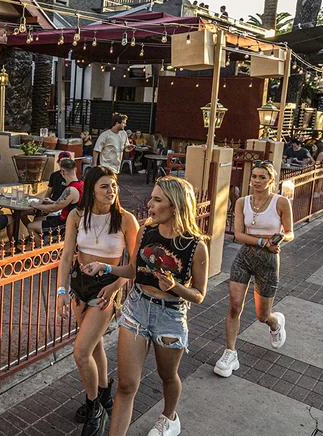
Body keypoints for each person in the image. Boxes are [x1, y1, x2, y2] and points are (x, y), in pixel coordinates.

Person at [82, 176, 209, 436]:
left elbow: (198, 295)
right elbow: (132, 269)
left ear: (175, 206)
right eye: (151, 197)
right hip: (137, 308)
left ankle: (169, 416)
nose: (149, 203)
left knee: (167, 376)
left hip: (170, 315)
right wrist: (105, 267)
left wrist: (174, 286)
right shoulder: (146, 231)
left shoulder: (196, 247)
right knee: (127, 386)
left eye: (157, 199)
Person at [57, 166, 139, 436]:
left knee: (81, 351)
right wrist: (61, 290)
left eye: (114, 185)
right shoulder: (77, 216)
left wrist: (116, 287)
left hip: (106, 288)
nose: (111, 191)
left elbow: (136, 267)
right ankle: (103, 394)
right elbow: (68, 255)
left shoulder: (126, 220)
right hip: (80, 286)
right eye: (105, 186)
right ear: (91, 188)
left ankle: (95, 408)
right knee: (93, 347)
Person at [215, 161, 293, 381]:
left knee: (262, 315)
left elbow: (290, 233)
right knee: (234, 306)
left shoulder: (281, 202)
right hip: (244, 258)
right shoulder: (242, 202)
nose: (257, 181)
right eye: (254, 177)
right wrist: (262, 241)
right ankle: (230, 352)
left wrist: (279, 239)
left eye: (262, 177)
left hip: (268, 261)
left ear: (271, 180)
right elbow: (239, 235)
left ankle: (275, 323)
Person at [28, 159, 83, 235]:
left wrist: (36, 205)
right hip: (74, 222)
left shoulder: (71, 189)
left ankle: (43, 246)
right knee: (37, 219)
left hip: (65, 224)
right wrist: (52, 201)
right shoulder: (81, 184)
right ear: (75, 169)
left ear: (62, 172)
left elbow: (54, 208)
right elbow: (72, 203)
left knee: (31, 226)